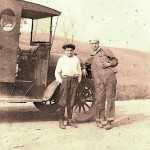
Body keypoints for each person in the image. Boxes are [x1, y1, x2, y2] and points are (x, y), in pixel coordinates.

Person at [82, 37, 118, 130]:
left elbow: (115, 60)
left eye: (96, 43)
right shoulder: (91, 56)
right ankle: (100, 120)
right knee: (99, 99)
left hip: (110, 78)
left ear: (98, 44)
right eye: (92, 43)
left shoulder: (105, 51)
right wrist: (84, 68)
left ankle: (109, 121)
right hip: (99, 81)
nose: (94, 45)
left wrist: (109, 64)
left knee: (110, 99)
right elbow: (84, 63)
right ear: (90, 45)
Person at [55, 43, 82, 129]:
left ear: (73, 51)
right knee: (63, 100)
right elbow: (57, 72)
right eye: (68, 50)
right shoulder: (61, 59)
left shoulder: (76, 59)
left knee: (72, 101)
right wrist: (61, 81)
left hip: (74, 80)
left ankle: (69, 120)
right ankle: (61, 120)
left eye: (71, 50)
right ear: (65, 51)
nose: (69, 52)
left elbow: (79, 71)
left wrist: (78, 81)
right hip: (65, 80)